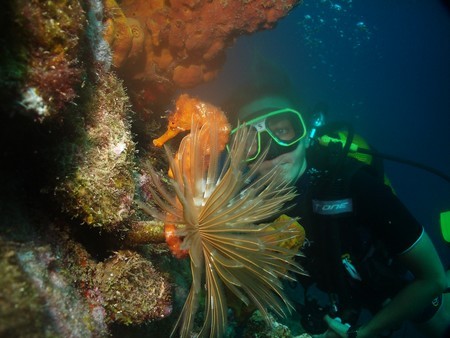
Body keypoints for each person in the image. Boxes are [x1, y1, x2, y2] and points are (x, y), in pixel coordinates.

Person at [228, 92, 450, 338]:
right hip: (331, 291)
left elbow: (433, 279)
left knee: (437, 321)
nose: (269, 151)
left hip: (381, 279)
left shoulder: (353, 184)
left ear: (306, 136)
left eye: (281, 131)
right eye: (250, 142)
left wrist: (366, 332)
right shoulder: (242, 208)